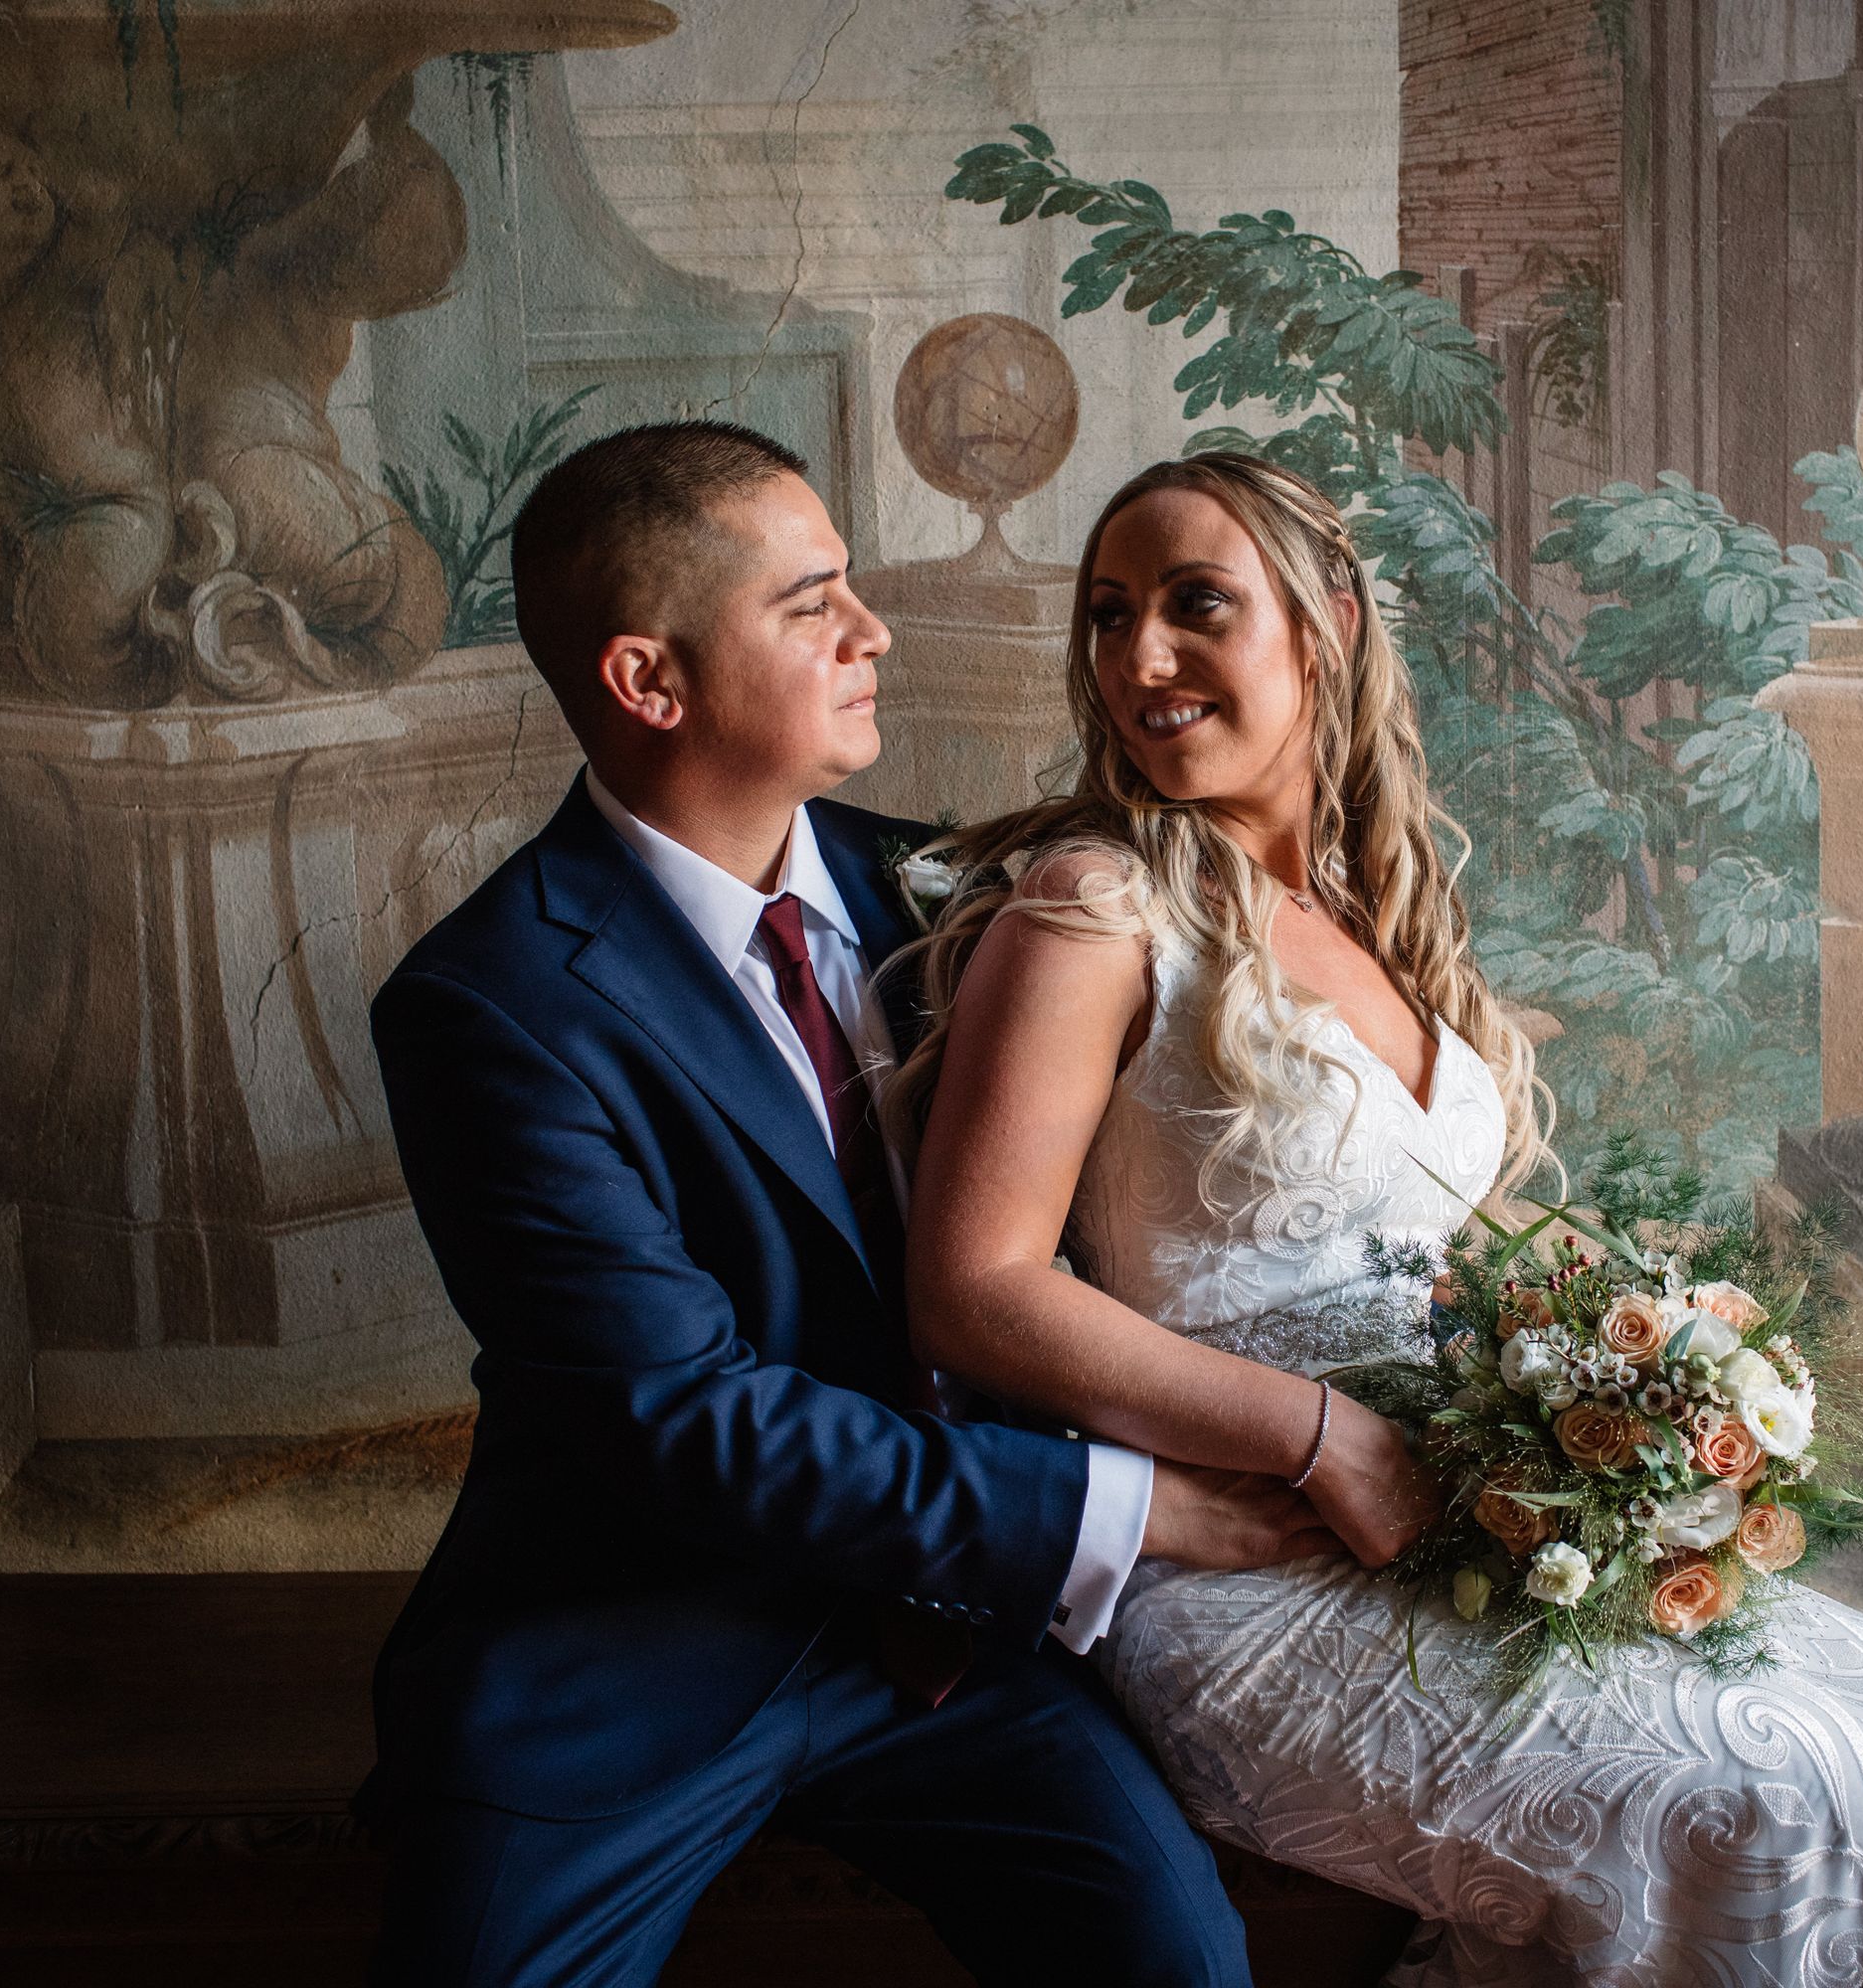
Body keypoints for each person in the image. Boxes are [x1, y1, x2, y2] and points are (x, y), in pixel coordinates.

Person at [896, 452, 1863, 1987]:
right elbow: (976, 1289)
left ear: (1328, 624)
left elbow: (1446, 1243)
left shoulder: (1367, 912)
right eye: (1108, 616)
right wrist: (1325, 1441)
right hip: (1254, 1563)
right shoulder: (1094, 909)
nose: (1141, 657)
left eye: (1195, 604)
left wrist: (1652, 1362)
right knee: (1794, 1814)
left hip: (1475, 1528)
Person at [360, 420, 1331, 1986]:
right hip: (641, 1647)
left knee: (1181, 1960)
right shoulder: (492, 1008)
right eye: (813, 606)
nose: (872, 632)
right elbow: (690, 1423)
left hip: (961, 1639)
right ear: (650, 681)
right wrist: (1134, 1510)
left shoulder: (951, 892)